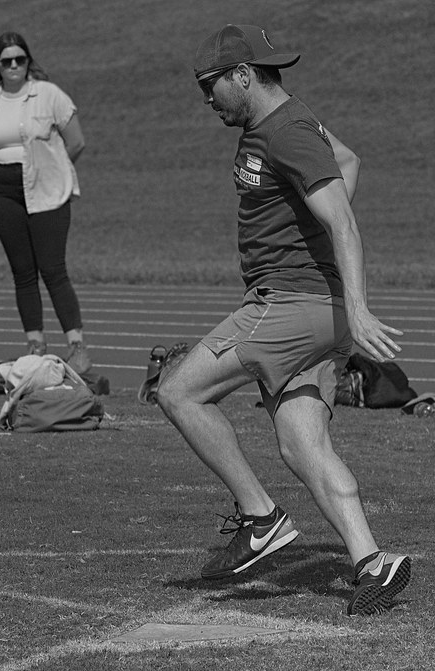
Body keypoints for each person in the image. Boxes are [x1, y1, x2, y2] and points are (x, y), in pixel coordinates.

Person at [156, 24, 411, 615]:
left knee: (178, 392)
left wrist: (358, 307)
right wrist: (313, 238)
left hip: (290, 303)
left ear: (243, 75)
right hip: (313, 308)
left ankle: (260, 517)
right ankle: (373, 563)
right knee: (302, 444)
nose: (207, 99)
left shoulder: (286, 131)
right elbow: (348, 159)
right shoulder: (291, 123)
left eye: (210, 85)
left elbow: (343, 222)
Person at [0, 32, 91, 372]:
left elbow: (76, 141)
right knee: (22, 271)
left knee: (53, 269)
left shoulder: (48, 95)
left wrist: (53, 172)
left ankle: (77, 346)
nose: (13, 65)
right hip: (2, 190)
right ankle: (35, 345)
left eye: (19, 59)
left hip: (45, 189)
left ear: (28, 61)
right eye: (6, 60)